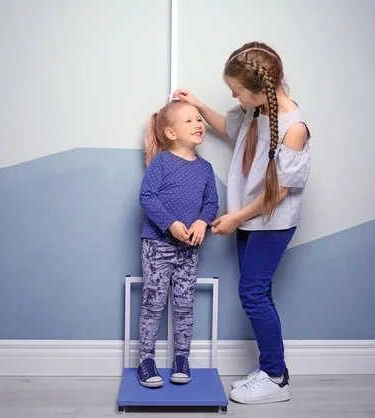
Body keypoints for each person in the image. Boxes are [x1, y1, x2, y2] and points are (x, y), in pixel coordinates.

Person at [173, 41, 311, 404]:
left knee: (252, 294)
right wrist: (199, 104)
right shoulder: (254, 112)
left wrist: (234, 217)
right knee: (257, 293)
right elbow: (229, 129)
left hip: (272, 222)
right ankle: (270, 368)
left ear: (257, 89)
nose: (233, 97)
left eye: (235, 91)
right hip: (249, 221)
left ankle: (276, 377)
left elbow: (276, 193)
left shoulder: (294, 128)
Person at [136, 99, 219, 388]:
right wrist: (171, 224)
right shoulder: (161, 161)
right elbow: (147, 197)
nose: (198, 124)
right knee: (153, 303)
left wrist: (201, 222)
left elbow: (211, 202)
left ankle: (181, 359)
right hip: (158, 245)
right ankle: (146, 360)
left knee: (184, 305)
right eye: (190, 121)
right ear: (171, 133)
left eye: (199, 120)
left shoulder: (206, 168)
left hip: (189, 250)